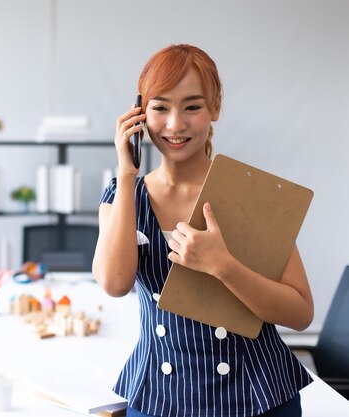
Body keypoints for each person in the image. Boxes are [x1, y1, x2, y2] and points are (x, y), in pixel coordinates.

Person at [92, 44, 314, 417]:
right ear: (139, 113)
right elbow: (114, 284)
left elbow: (301, 313)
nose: (175, 124)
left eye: (192, 107)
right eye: (160, 107)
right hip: (161, 395)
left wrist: (223, 265)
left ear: (215, 108)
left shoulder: (249, 194)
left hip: (256, 394)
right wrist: (128, 173)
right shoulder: (124, 194)